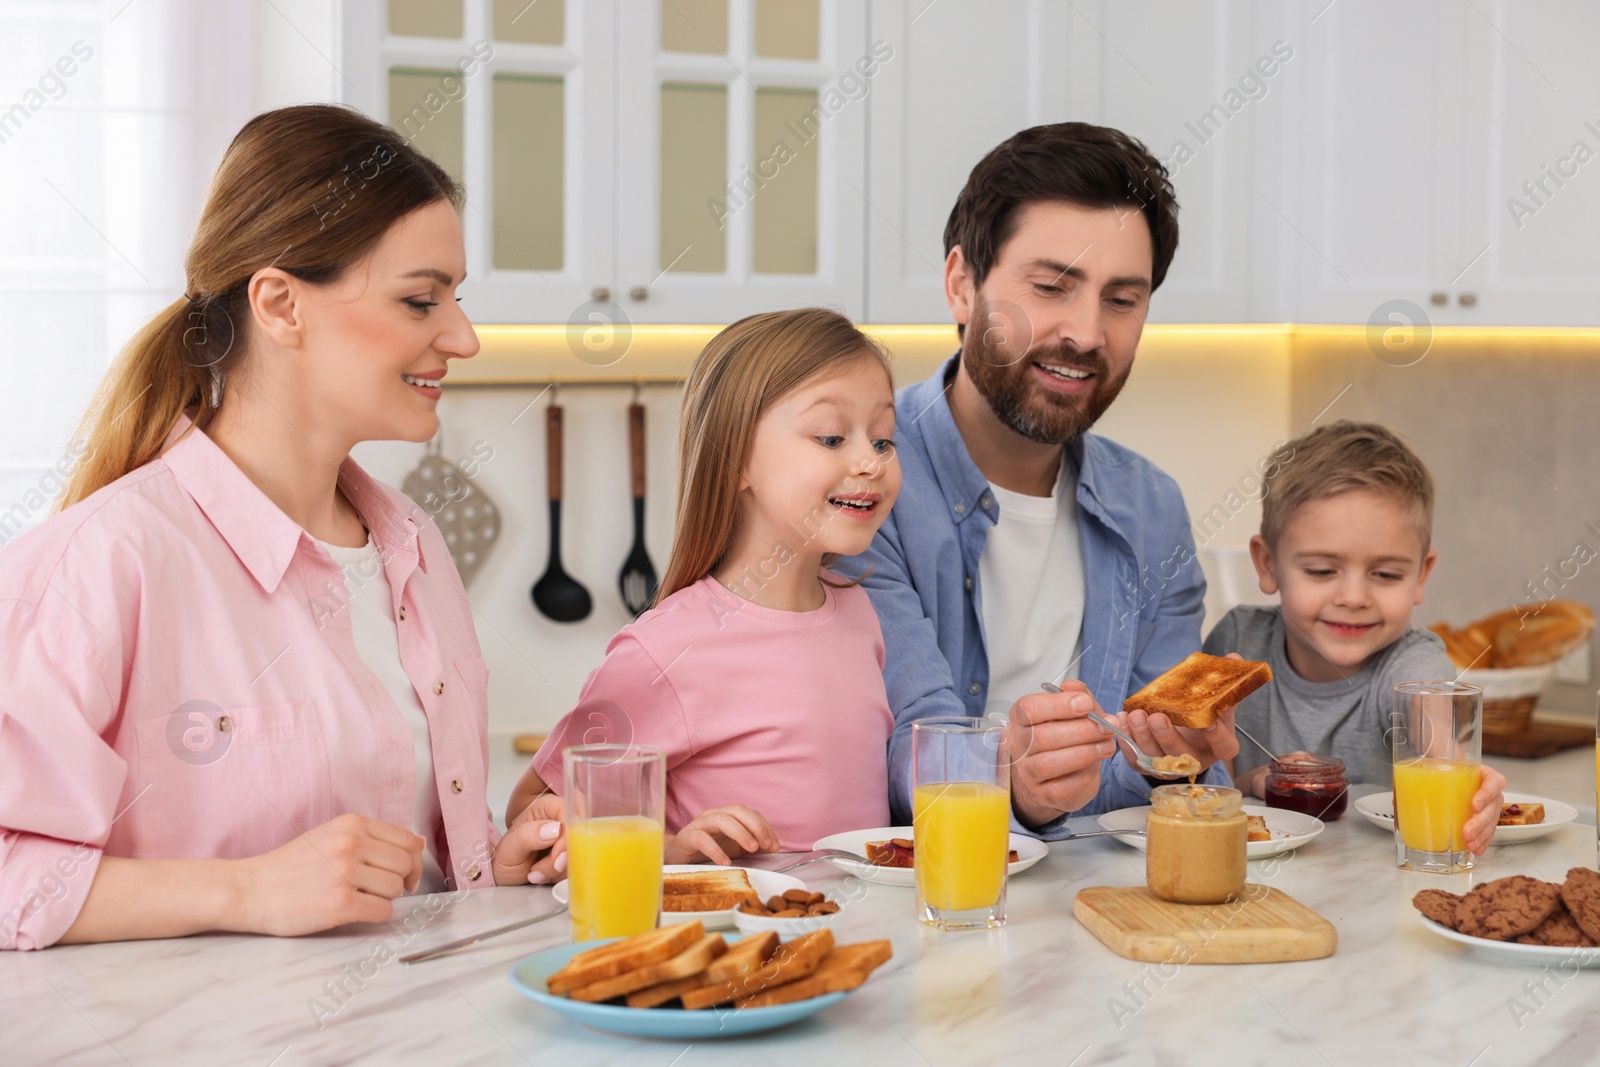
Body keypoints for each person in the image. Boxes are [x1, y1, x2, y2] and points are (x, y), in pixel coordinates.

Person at [0, 105, 559, 951]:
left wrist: (495, 867)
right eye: (420, 300)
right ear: (279, 304)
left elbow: (412, 863)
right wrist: (245, 888)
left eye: (458, 298)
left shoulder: (414, 549)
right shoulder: (100, 563)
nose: (465, 337)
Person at [837, 122, 1240, 837]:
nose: (1086, 333)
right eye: (1052, 286)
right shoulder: (864, 483)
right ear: (962, 285)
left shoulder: (1153, 510)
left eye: (1122, 299)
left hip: (1097, 914)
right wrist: (1009, 783)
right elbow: (899, 755)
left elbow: (1132, 773)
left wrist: (1169, 759)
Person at [506, 309, 899, 865]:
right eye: (832, 436)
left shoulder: (861, 614)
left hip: (858, 942)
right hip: (739, 945)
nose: (870, 461)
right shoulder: (667, 649)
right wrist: (672, 850)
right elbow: (535, 811)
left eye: (884, 440)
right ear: (734, 459)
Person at [1205, 421, 1504, 853]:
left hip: (1375, 892)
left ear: (1421, 574)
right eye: (1322, 571)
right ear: (1267, 564)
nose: (1353, 597)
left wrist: (1471, 785)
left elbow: (1441, 744)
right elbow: (1205, 790)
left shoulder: (1412, 663)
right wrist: (1252, 783)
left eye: (1385, 574)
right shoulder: (1237, 641)